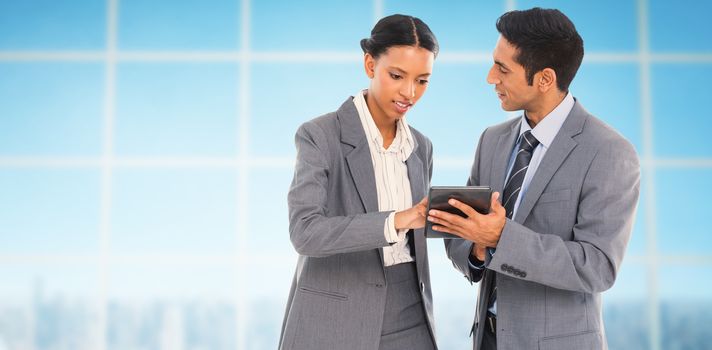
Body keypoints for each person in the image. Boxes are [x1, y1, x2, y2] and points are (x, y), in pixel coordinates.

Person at [428, 8, 640, 350]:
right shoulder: (491, 140)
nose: (489, 78)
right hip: (488, 339)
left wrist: (501, 236)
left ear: (544, 79)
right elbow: (461, 239)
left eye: (502, 69)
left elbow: (597, 267)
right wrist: (479, 248)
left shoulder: (609, 152)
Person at [279, 14, 439, 350]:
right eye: (397, 76)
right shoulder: (321, 135)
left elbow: (423, 234)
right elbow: (305, 232)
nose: (409, 92)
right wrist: (395, 221)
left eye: (422, 81)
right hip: (338, 312)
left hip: (411, 312)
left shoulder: (421, 146)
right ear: (370, 64)